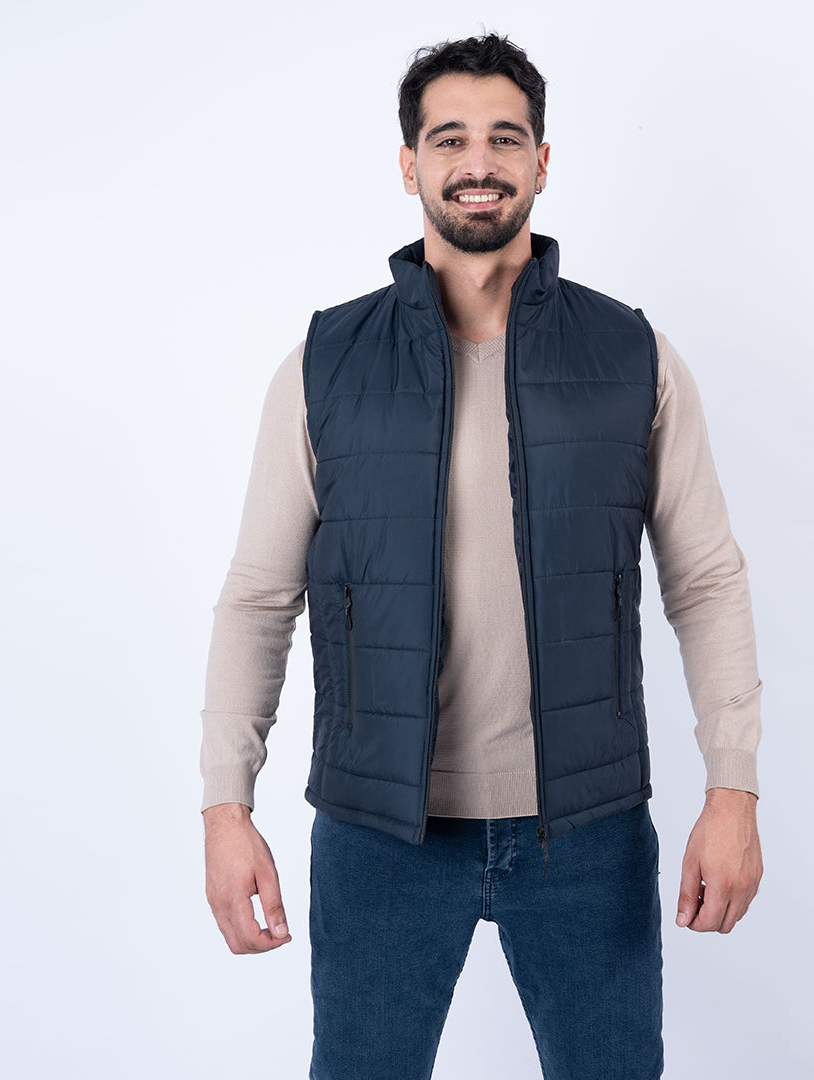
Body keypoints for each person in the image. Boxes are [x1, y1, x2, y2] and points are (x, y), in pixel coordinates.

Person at [200, 33, 763, 1080]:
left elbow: (707, 581)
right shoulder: (325, 366)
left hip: (586, 831)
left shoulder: (631, 356)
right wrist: (225, 809)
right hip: (381, 836)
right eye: (449, 137)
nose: (478, 162)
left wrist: (733, 790)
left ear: (542, 162)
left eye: (506, 138)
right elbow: (258, 599)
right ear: (408, 163)